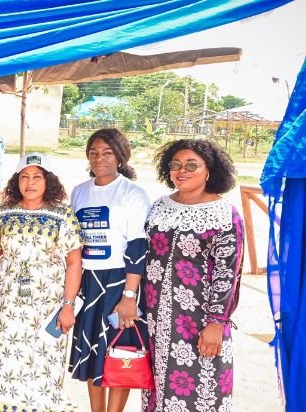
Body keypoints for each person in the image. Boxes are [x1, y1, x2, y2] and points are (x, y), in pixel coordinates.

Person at [0, 153, 84, 411]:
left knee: (42, 364)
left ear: (48, 180)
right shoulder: (3, 213)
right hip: (7, 304)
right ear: (16, 181)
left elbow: (75, 262)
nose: (30, 183)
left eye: (37, 177)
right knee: (2, 362)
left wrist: (68, 305)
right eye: (24, 177)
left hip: (46, 308)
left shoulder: (63, 215)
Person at [142, 139, 244, 412]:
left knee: (202, 387)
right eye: (175, 164)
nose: (181, 170)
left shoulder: (224, 214)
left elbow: (227, 274)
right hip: (154, 319)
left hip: (197, 320)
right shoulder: (159, 206)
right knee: (157, 390)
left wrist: (216, 324)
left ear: (208, 171)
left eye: (191, 165)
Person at [68, 129, 150, 412]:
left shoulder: (132, 193)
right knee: (92, 353)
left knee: (119, 352)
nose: (99, 158)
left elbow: (138, 245)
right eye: (93, 152)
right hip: (87, 282)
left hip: (120, 282)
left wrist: (130, 295)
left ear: (120, 156)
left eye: (107, 152)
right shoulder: (79, 191)